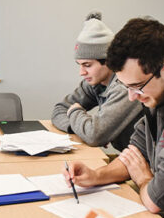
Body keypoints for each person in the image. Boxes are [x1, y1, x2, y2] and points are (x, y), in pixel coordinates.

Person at [63, 17, 164, 218]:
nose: (132, 97)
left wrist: (143, 178)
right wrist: (95, 176)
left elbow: (157, 199)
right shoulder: (154, 97)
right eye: (126, 88)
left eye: (137, 87)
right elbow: (134, 153)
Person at [51, 11, 143, 151]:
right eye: (79, 65)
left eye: (87, 65)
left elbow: (94, 135)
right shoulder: (94, 83)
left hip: (146, 165)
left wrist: (75, 112)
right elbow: (59, 110)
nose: (81, 72)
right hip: (127, 157)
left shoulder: (124, 88)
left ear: (108, 61)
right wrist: (79, 128)